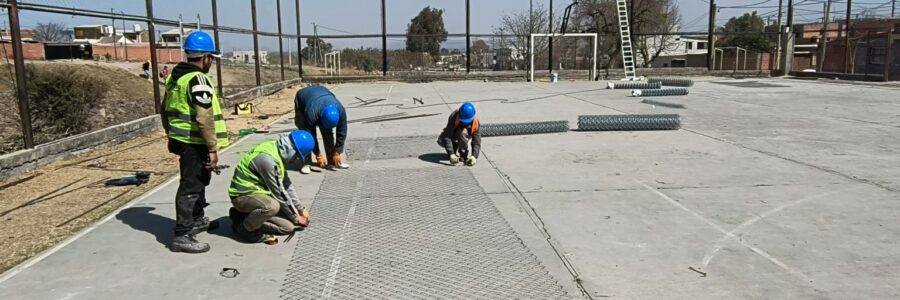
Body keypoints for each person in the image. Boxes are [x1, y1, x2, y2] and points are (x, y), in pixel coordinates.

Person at [160, 31, 228, 253]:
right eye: (211, 59)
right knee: (191, 186)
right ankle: (182, 234)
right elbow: (204, 117)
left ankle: (197, 219)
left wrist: (170, 133)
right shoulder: (198, 79)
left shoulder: (175, 77)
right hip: (194, 142)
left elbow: (164, 109)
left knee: (200, 180)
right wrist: (213, 148)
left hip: (181, 138)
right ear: (206, 57)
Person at [228, 131, 314, 243]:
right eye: (297, 156)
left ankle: (243, 216)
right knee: (272, 206)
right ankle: (245, 229)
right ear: (291, 150)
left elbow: (286, 185)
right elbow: (279, 193)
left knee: (288, 228)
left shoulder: (277, 152)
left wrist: (300, 209)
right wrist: (296, 217)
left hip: (259, 196)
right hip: (242, 196)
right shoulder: (268, 161)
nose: (295, 160)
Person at [293, 85, 348, 174]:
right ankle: (306, 163)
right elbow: (311, 135)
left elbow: (342, 131)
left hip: (321, 96)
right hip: (303, 98)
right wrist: (318, 154)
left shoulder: (340, 110)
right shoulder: (311, 114)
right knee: (305, 136)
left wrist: (338, 151)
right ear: (321, 117)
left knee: (327, 132)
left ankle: (332, 161)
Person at [438, 102, 481, 166]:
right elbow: (448, 136)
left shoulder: (476, 122)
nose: (465, 123)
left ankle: (463, 155)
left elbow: (476, 141)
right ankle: (454, 148)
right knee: (441, 141)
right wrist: (451, 153)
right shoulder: (454, 116)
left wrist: (474, 156)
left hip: (465, 135)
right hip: (454, 134)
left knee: (462, 132)